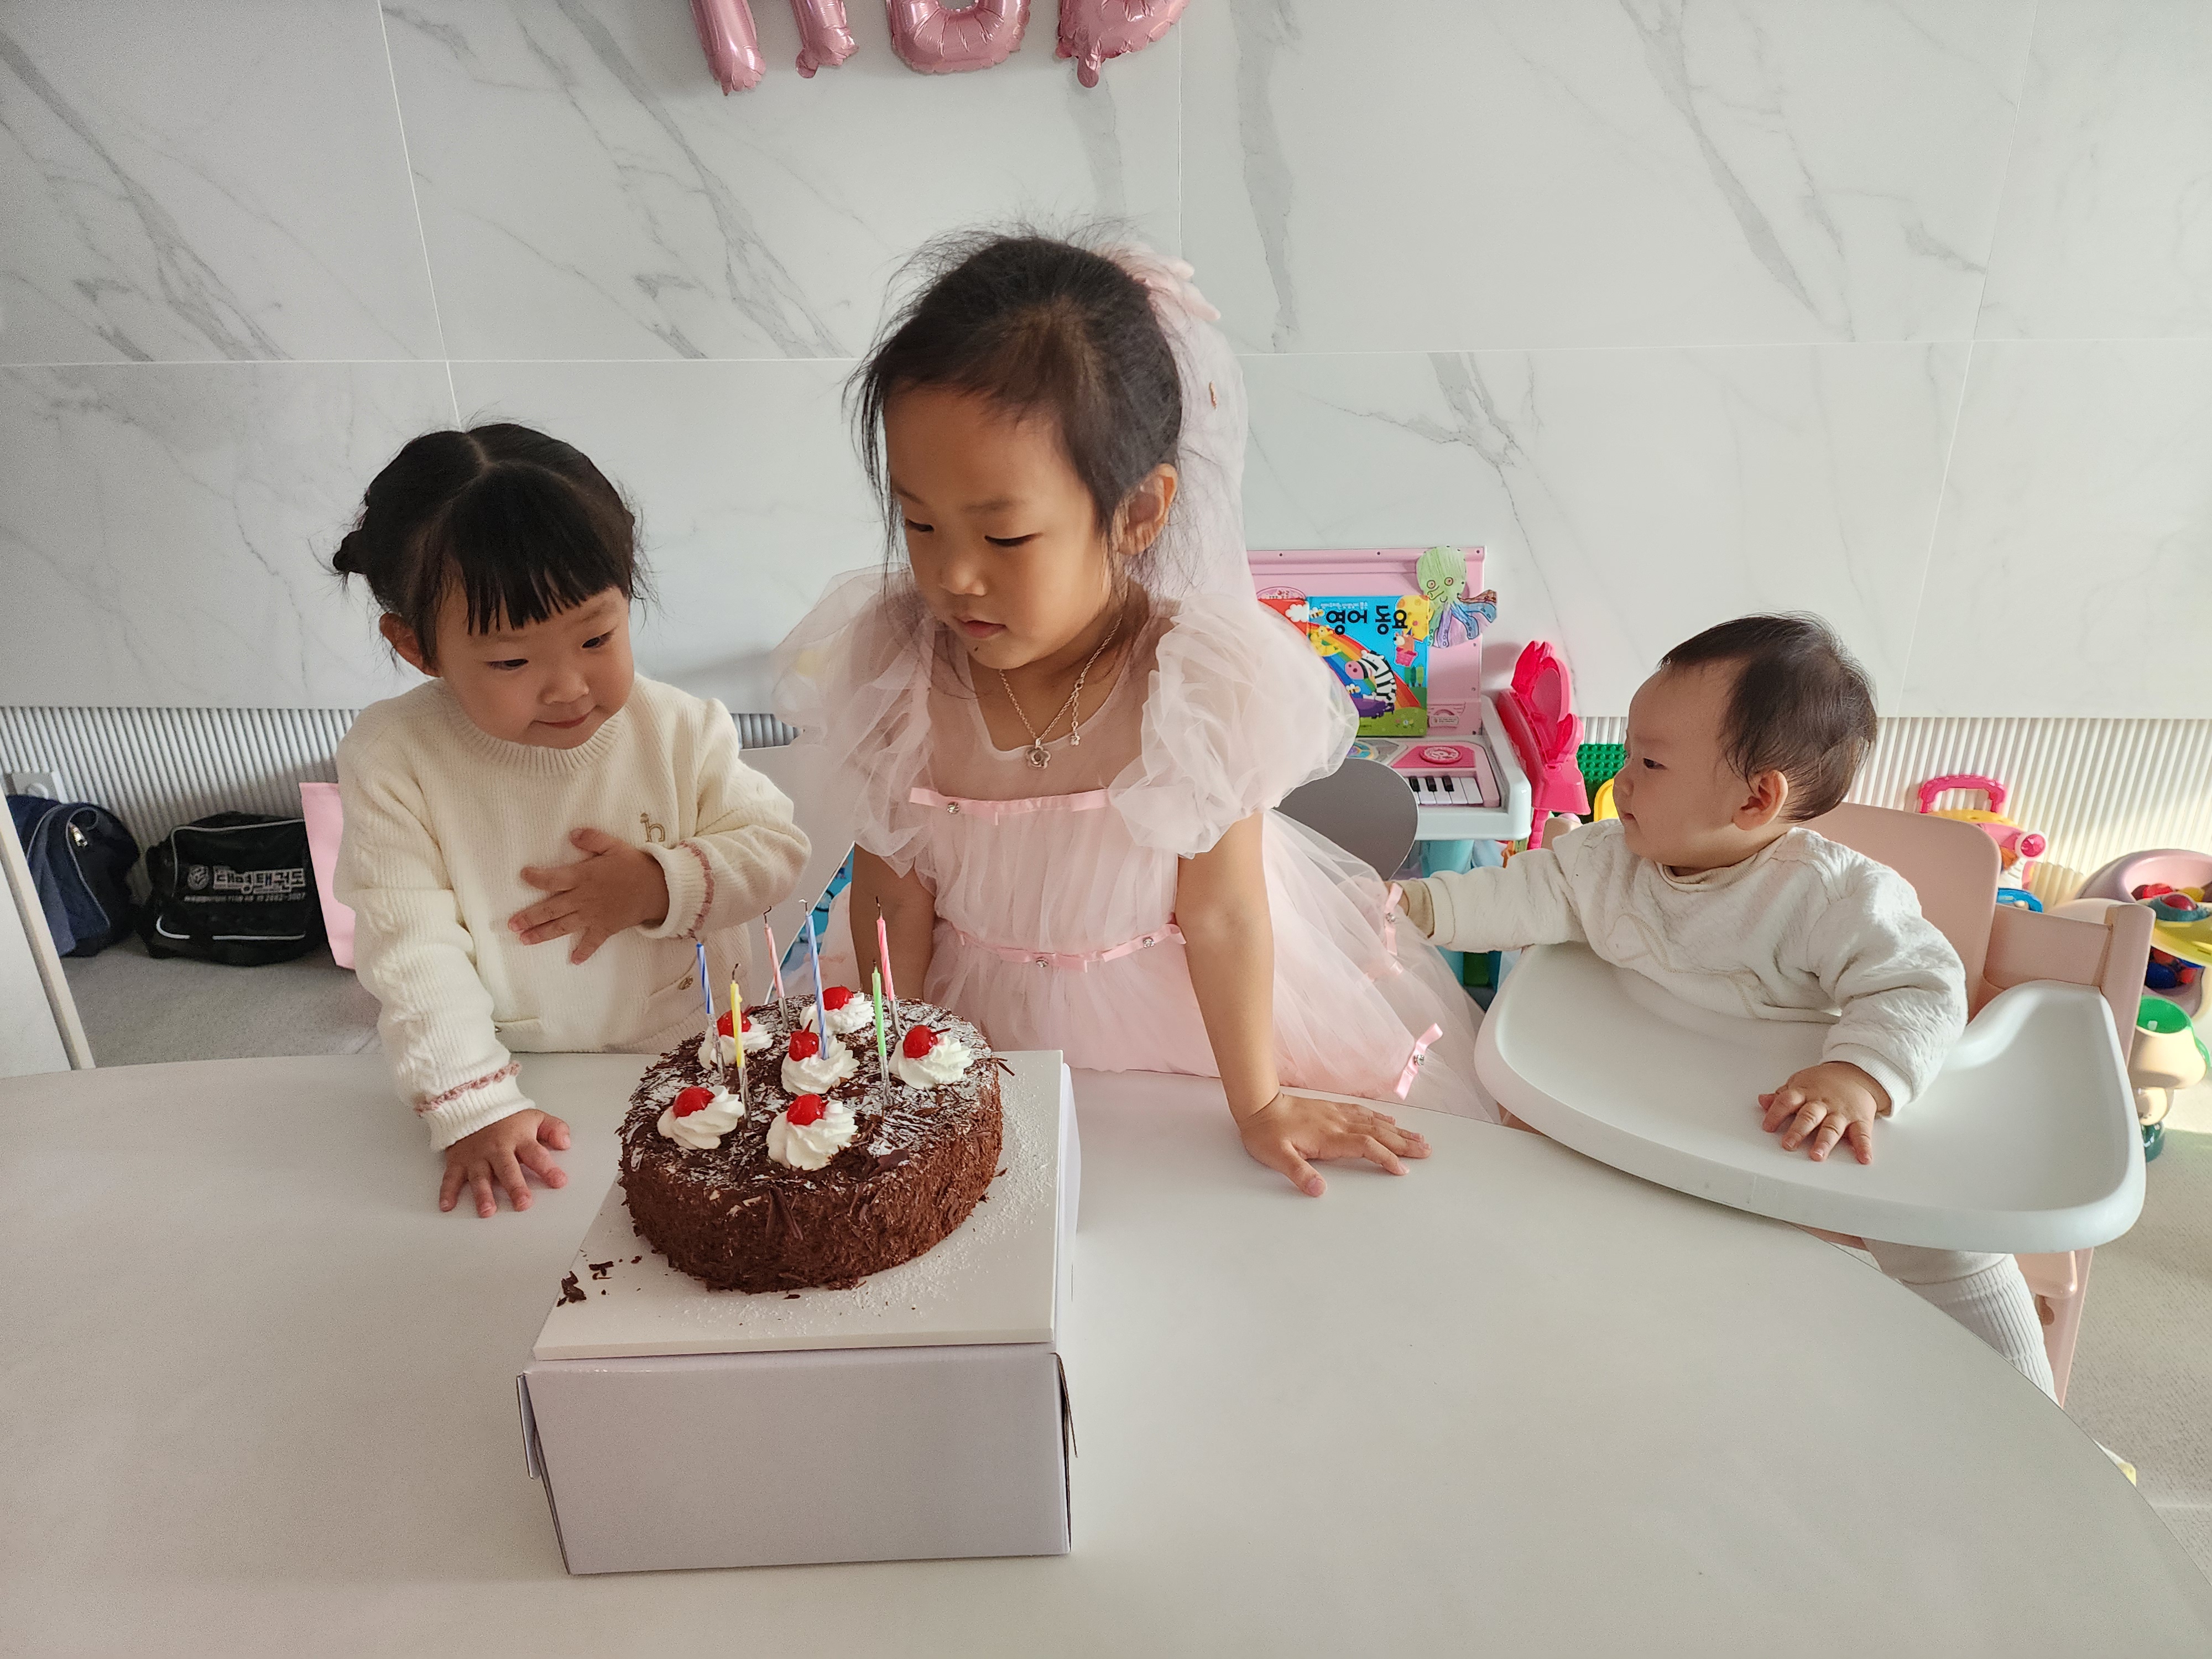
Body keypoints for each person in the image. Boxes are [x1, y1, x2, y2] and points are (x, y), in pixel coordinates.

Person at [776, 232, 1486, 1198]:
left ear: (1139, 513)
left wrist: (1260, 1104)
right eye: (921, 523)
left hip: (1187, 1042)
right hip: (975, 1036)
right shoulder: (896, 666)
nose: (954, 574)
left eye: (1004, 535)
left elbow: (1223, 914)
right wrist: (895, 1077)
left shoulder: (1198, 684)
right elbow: (891, 900)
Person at [1396, 615, 2056, 1393]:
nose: (1622, 782)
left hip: (1795, 1123)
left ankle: (2035, 1414)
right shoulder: (1607, 862)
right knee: (1544, 1182)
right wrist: (1414, 908)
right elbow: (1518, 894)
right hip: (1654, 1111)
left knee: (1946, 1237)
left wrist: (1858, 1075)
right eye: (1629, 753)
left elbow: (1920, 985)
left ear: (1755, 799)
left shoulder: (1830, 895)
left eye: (1650, 762)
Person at [333, 424, 808, 1218]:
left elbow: (774, 850)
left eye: (596, 637)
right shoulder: (395, 755)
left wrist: (659, 884)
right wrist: (473, 1103)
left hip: (702, 1058)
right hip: (519, 1073)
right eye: (512, 661)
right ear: (417, 647)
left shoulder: (680, 729)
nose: (567, 687)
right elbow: (410, 947)